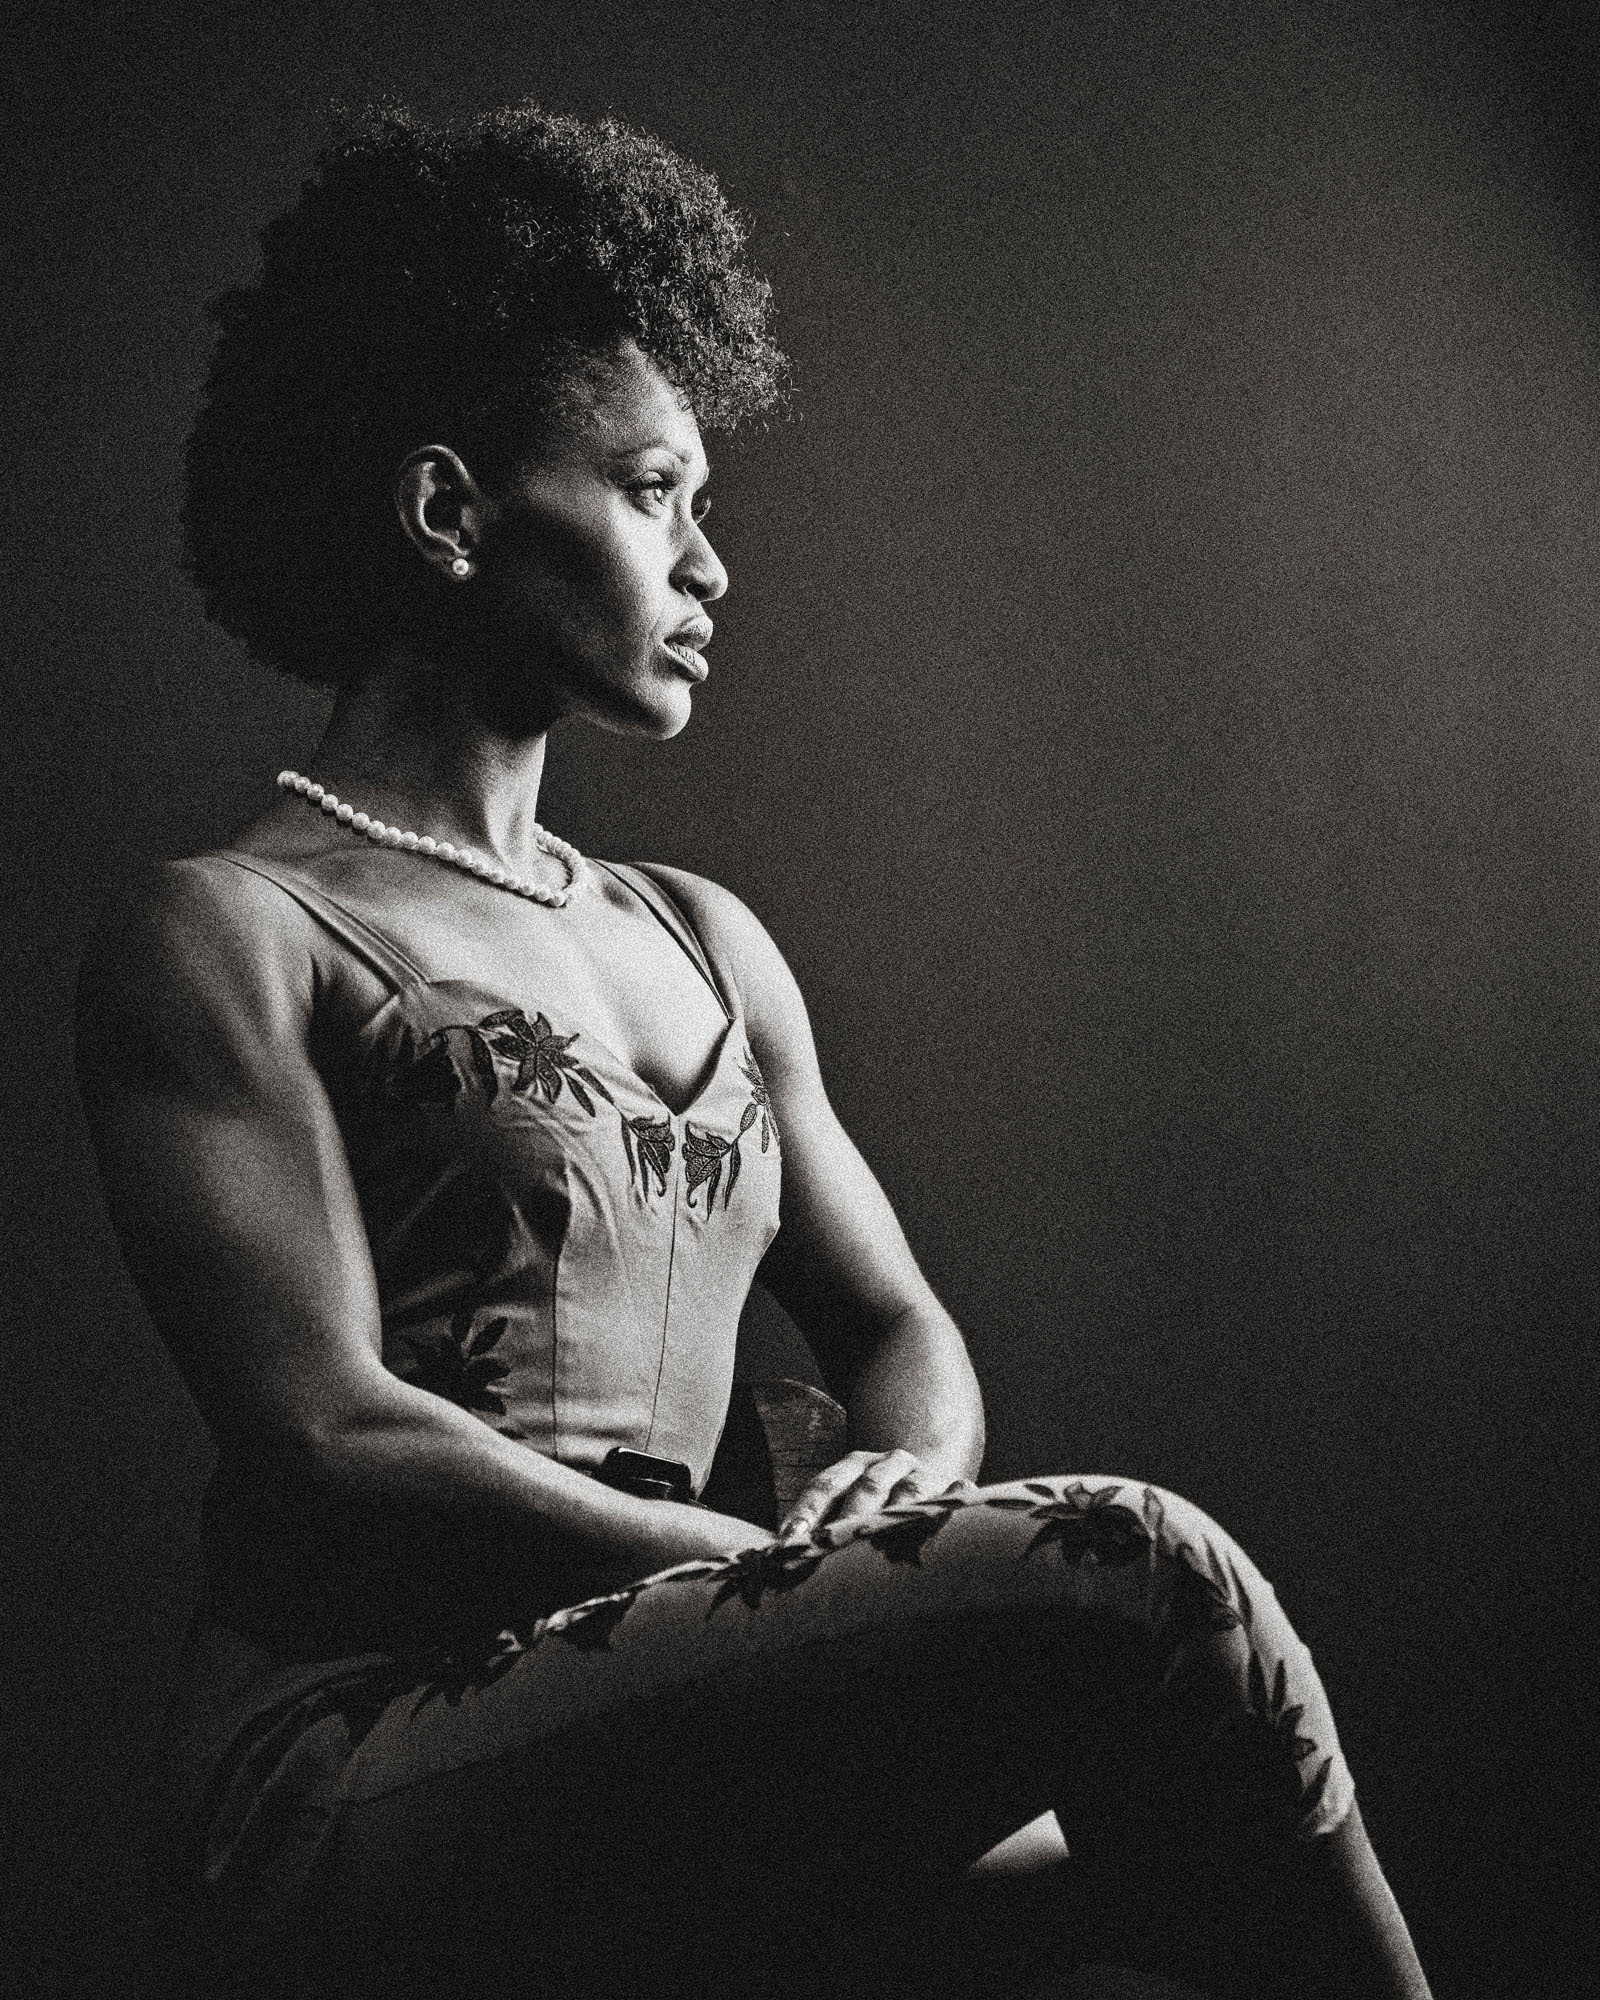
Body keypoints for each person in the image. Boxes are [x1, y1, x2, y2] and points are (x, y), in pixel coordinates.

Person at [76, 104, 1433, 2000]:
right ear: (450, 512)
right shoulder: (223, 928)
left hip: (681, 1658)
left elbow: (898, 1337)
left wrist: (891, 1496)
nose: (709, 564)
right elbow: (326, 1440)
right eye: (653, 493)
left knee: (1176, 1838)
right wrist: (729, 1574)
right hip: (356, 1760)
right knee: (1142, 1577)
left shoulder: (700, 937)